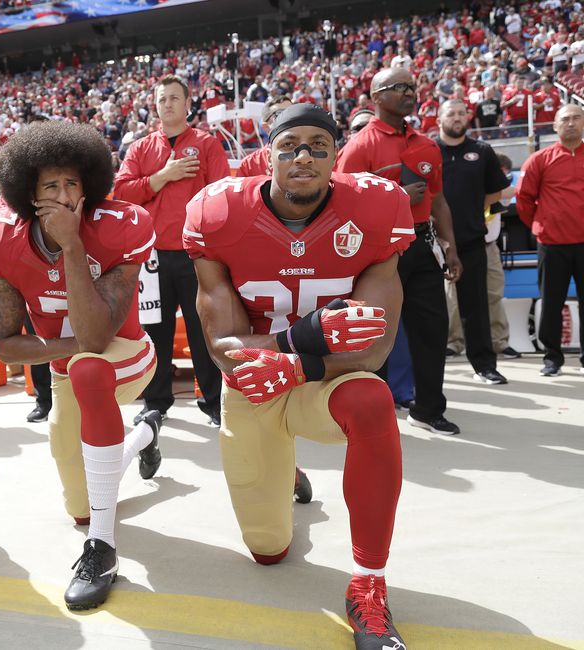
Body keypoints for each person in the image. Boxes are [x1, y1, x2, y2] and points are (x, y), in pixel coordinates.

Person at [185, 103, 414, 650]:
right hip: (254, 384)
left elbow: (375, 347)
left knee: (372, 401)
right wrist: (300, 340)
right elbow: (224, 347)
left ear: (338, 156)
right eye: (289, 146)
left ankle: (368, 585)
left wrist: (299, 362)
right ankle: (284, 472)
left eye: (318, 144)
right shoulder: (219, 212)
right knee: (269, 551)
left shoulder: (375, 209)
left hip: (325, 379)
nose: (303, 156)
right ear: (267, 157)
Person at [0, 121, 162, 611]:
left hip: (125, 357)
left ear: (90, 186)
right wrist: (64, 348)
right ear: (26, 193)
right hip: (67, 369)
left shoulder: (122, 224)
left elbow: (97, 338)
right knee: (80, 506)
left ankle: (101, 549)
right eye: (50, 186)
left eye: (72, 184)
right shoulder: (2, 236)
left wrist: (73, 245)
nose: (63, 196)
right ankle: (144, 434)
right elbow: (4, 345)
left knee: (89, 367)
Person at [336, 67, 464, 435]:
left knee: (432, 330)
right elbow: (342, 207)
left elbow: (439, 202)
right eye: (399, 87)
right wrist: (394, 198)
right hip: (378, 252)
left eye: (412, 86)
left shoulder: (426, 144)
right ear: (376, 97)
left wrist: (450, 249)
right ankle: (367, 413)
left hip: (422, 245)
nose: (410, 92)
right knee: (371, 335)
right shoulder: (359, 147)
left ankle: (427, 408)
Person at [114, 75, 230, 426]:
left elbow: (222, 192)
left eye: (175, 98)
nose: (168, 104)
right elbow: (123, 192)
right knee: (155, 332)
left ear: (187, 103)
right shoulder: (141, 149)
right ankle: (156, 402)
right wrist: (162, 176)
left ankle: (213, 402)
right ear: (156, 104)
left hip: (195, 254)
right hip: (151, 257)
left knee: (202, 330)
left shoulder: (207, 145)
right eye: (162, 99)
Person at [435, 100, 510, 384]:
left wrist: (472, 210)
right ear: (439, 118)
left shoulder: (482, 151)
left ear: (468, 117)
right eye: (450, 113)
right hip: (432, 243)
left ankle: (484, 366)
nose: (456, 118)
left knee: (475, 307)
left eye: (461, 113)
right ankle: (430, 372)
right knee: (432, 308)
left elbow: (496, 192)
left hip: (470, 241)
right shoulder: (428, 150)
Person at [516, 105, 584, 376]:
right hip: (552, 242)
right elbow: (523, 200)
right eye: (565, 119)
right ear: (555, 126)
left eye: (576, 118)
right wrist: (541, 224)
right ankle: (552, 358)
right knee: (551, 302)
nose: (571, 123)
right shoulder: (540, 159)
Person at [236, 96, 293, 177]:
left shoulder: (310, 157)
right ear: (266, 127)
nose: (289, 119)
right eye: (280, 114)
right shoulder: (249, 165)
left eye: (292, 112)